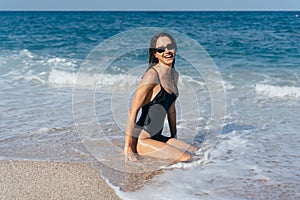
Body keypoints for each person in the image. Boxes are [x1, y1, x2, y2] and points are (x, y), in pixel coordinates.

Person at [124, 32, 197, 163]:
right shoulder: (151, 76)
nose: (167, 51)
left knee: (196, 151)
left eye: (170, 46)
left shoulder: (175, 75)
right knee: (186, 158)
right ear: (155, 54)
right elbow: (133, 110)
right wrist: (128, 146)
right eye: (161, 49)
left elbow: (171, 110)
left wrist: (173, 137)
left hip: (157, 137)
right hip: (142, 139)